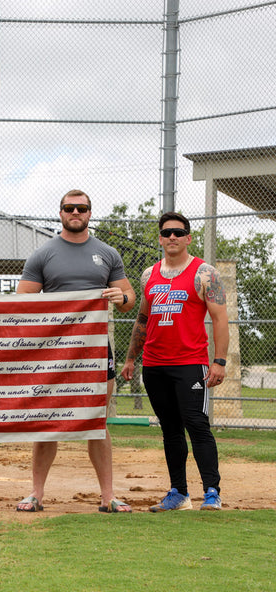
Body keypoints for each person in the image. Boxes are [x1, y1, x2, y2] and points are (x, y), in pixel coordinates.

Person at [15, 189, 136, 513]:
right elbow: (23, 299)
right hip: (54, 351)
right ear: (61, 213)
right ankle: (36, 494)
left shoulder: (107, 254)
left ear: (89, 213)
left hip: (97, 348)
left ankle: (107, 496)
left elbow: (128, 298)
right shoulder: (43, 254)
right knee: (47, 419)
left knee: (97, 419)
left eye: (81, 208)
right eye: (70, 208)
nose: (75, 213)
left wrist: (119, 297)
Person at [121, 211, 229, 511]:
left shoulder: (205, 273)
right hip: (155, 365)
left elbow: (220, 320)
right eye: (167, 232)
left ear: (188, 238)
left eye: (179, 232)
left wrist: (219, 361)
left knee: (197, 424)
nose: (172, 237)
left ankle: (211, 491)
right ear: (160, 238)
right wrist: (131, 358)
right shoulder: (148, 274)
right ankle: (179, 493)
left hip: (191, 363)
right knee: (170, 428)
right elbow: (142, 320)